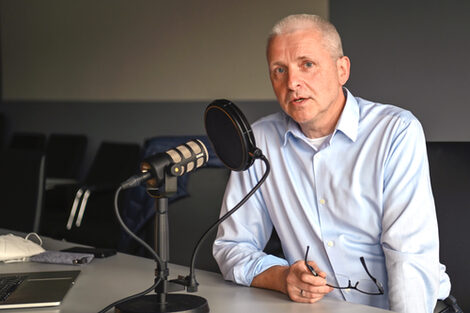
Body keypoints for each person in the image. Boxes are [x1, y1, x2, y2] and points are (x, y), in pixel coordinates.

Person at [212, 14, 451, 313]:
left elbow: (409, 257)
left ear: (341, 70)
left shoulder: (396, 131)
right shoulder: (260, 140)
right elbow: (231, 247)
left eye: (307, 65)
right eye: (279, 70)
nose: (292, 82)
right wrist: (282, 276)